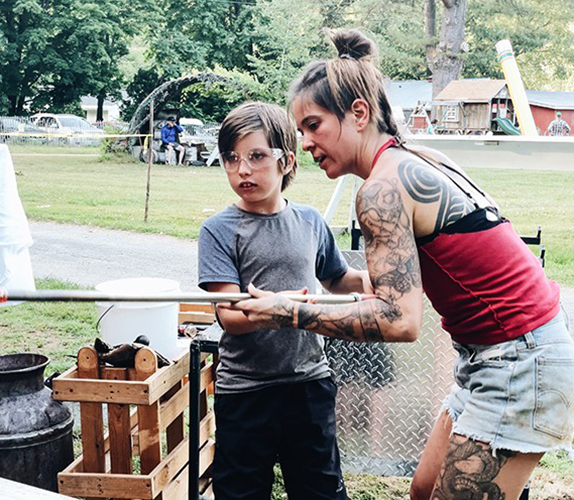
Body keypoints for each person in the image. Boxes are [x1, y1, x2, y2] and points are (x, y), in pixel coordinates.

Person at [226, 29, 574, 500]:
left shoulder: (382, 190)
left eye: (313, 125)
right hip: (492, 353)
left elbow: (399, 320)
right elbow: (405, 286)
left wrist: (284, 312)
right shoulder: (417, 158)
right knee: (423, 489)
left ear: (359, 113)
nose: (305, 143)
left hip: (519, 358)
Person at [199, 101, 370, 500]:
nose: (243, 169)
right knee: (240, 493)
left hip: (308, 384)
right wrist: (282, 311)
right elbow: (230, 316)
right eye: (231, 158)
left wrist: (385, 277)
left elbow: (338, 278)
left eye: (257, 156)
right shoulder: (218, 231)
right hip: (244, 392)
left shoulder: (310, 221)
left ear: (286, 161)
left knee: (320, 491)